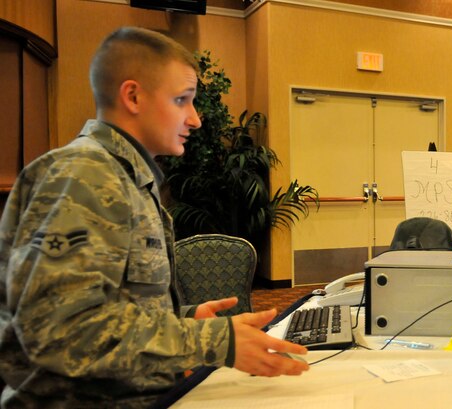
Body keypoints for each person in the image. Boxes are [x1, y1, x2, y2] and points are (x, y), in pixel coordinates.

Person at [0, 27, 309, 407]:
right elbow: (58, 333)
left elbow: (108, 309)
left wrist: (183, 319)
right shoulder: (83, 175)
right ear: (133, 96)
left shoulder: (126, 177)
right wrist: (211, 342)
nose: (195, 119)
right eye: (182, 100)